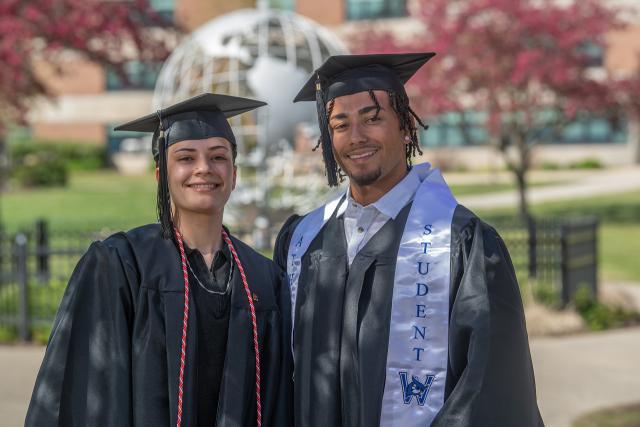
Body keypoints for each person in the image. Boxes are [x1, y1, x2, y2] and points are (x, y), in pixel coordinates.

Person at [274, 53, 544, 427]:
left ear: (405, 127)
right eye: (341, 124)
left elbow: (491, 387)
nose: (357, 137)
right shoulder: (304, 242)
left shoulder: (461, 243)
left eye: (373, 118)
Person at [26, 93, 292, 427]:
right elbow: (83, 392)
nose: (203, 168)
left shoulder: (263, 278)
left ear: (234, 174)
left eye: (217, 156)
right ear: (160, 176)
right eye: (185, 157)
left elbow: (280, 402)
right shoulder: (122, 266)